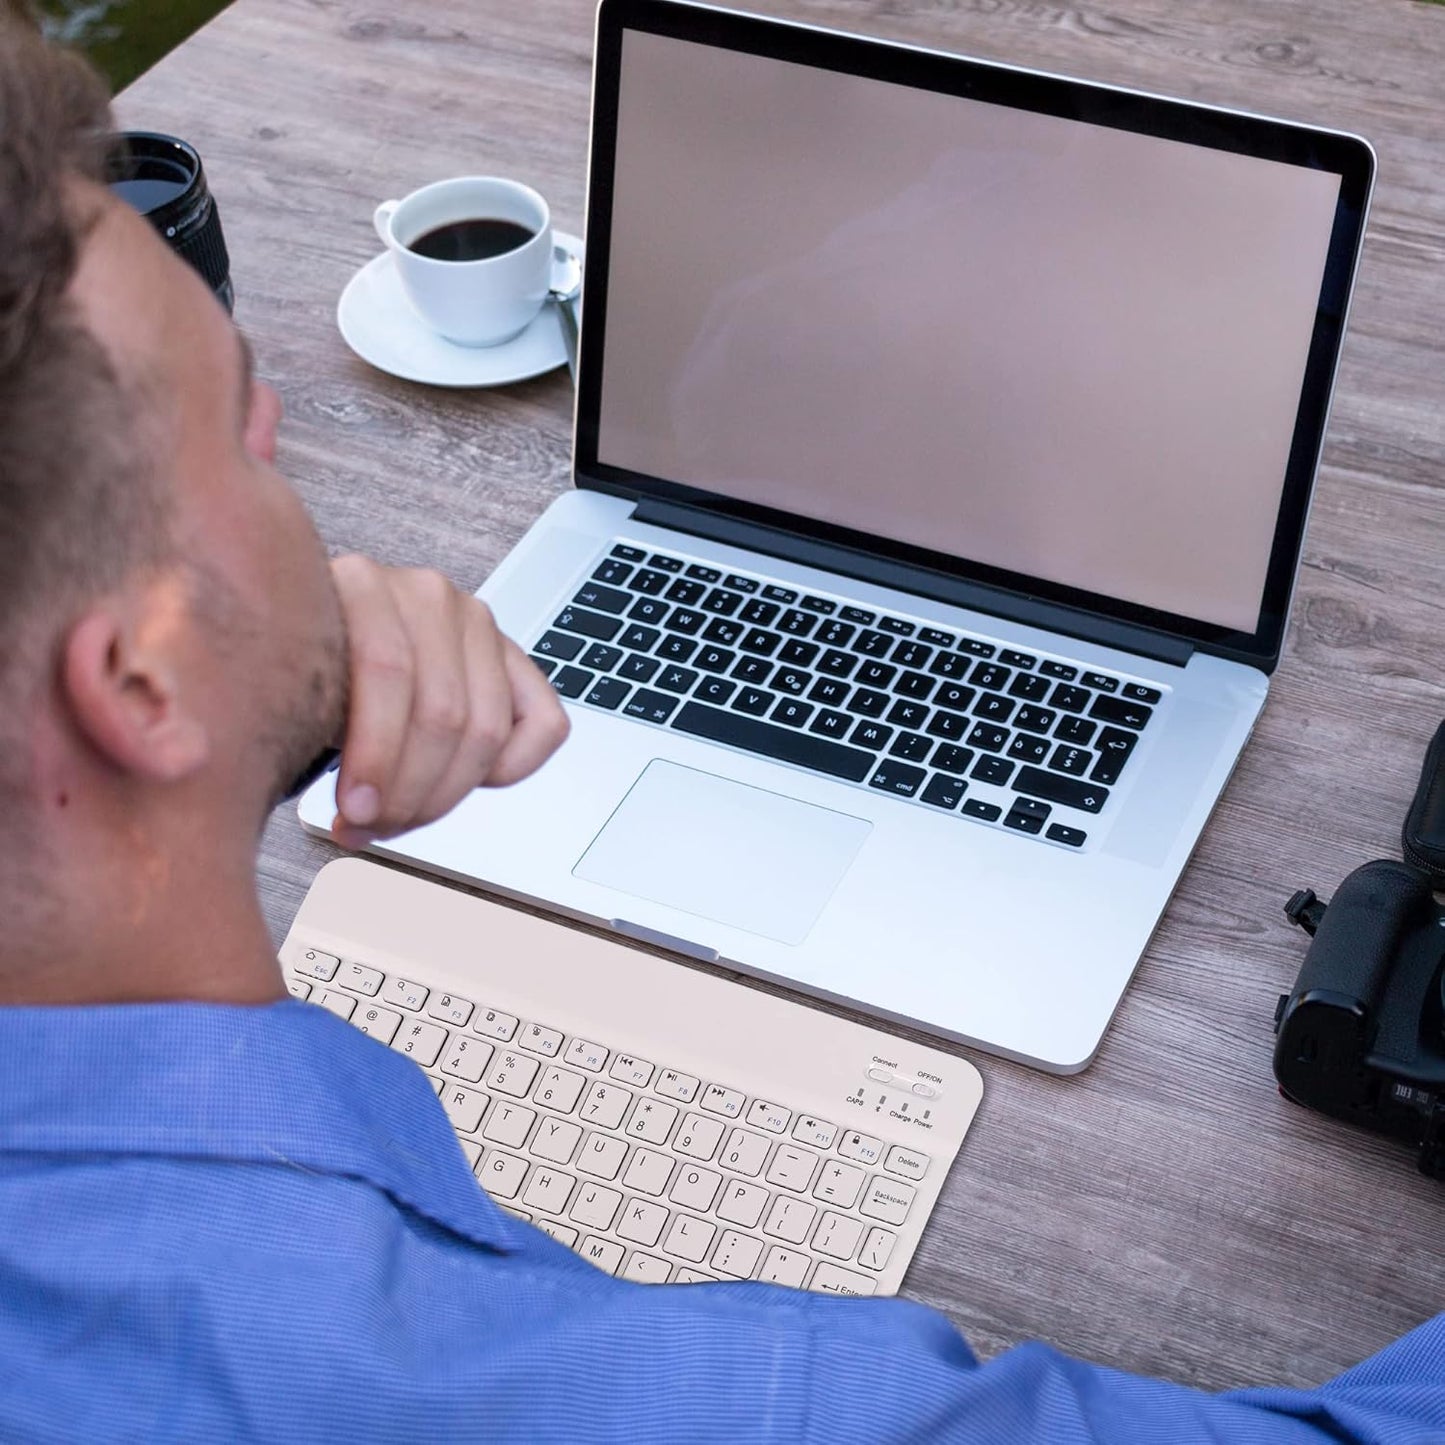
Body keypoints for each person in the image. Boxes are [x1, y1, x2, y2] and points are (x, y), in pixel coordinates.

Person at [0, 10, 1440, 1442]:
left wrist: (273, 697)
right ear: (135, 690)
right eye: (253, 429)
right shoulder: (644, 1397)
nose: (294, 480)